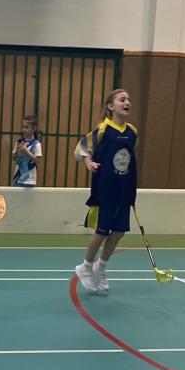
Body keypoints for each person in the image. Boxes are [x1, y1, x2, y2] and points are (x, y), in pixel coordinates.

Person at [73, 90, 138, 295]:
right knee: (102, 231)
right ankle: (85, 266)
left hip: (124, 188)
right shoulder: (102, 129)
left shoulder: (132, 131)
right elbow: (82, 148)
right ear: (110, 106)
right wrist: (88, 162)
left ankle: (100, 267)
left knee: (119, 231)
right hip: (105, 188)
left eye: (128, 99)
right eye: (122, 100)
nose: (127, 102)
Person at [12, 114, 42, 186]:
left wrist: (26, 151)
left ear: (34, 128)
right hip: (18, 178)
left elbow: (38, 160)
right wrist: (17, 150)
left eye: (27, 127)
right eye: (23, 127)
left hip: (30, 180)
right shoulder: (19, 141)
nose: (24, 129)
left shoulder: (36, 144)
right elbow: (14, 158)